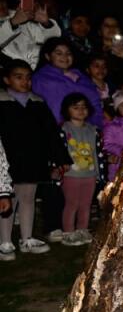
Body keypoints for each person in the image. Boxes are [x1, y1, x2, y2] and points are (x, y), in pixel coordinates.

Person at [0, 61, 70, 257]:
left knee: (28, 197)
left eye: (28, 77)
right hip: (7, 160)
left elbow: (51, 133)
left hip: (32, 159)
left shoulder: (38, 102)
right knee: (8, 199)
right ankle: (5, 242)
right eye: (18, 77)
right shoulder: (2, 101)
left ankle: (27, 238)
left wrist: (60, 158)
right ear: (7, 79)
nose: (25, 81)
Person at [58, 93, 105, 246]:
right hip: (71, 173)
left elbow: (97, 153)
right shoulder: (63, 129)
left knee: (86, 203)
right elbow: (57, 151)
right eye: (76, 107)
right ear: (67, 110)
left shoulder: (93, 130)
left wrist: (98, 172)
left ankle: (82, 229)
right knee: (72, 203)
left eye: (84, 107)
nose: (81, 110)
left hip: (89, 174)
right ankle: (68, 232)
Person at [32, 39, 104, 127]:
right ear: (48, 56)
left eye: (68, 53)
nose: (65, 57)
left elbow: (95, 103)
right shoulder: (42, 79)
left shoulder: (81, 76)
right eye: (59, 53)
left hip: (90, 130)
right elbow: (55, 109)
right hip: (64, 131)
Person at [1, 0, 61, 68]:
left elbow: (53, 42)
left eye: (1, 0)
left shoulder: (22, 15)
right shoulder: (16, 19)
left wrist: (46, 24)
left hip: (41, 68)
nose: (1, 5)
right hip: (12, 72)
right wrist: (12, 23)